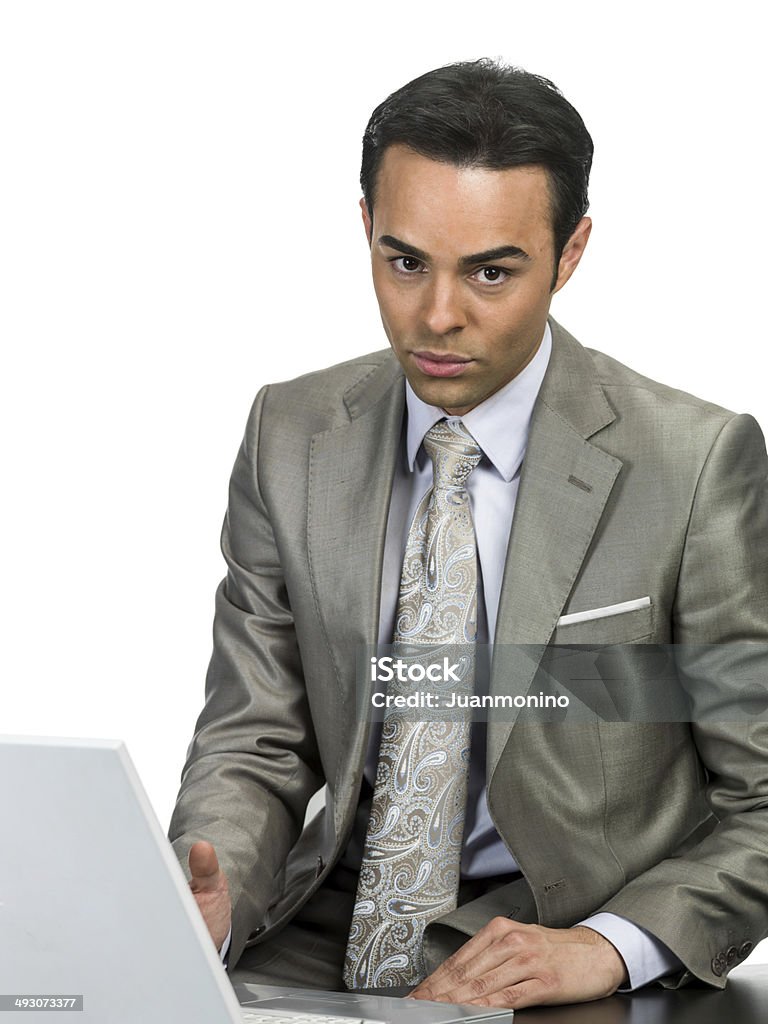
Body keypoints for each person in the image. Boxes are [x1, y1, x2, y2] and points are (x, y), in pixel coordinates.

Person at [169, 59, 768, 1010]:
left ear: (570, 254)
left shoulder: (694, 467)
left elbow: (763, 798)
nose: (438, 316)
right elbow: (259, 737)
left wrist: (610, 949)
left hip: (555, 933)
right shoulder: (291, 435)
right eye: (405, 261)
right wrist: (213, 895)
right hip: (320, 922)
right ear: (365, 227)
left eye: (492, 271)